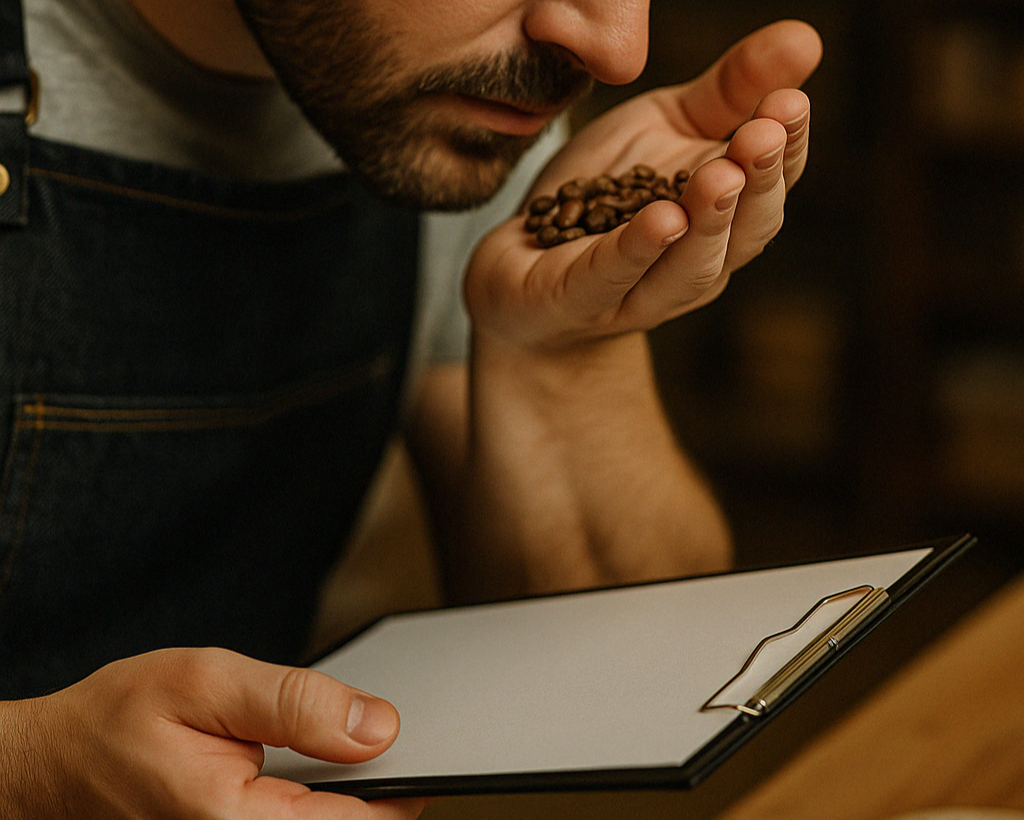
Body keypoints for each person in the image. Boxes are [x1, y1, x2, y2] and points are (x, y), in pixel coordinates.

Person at [0, 0, 822, 816]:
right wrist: (31, 771)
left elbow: (635, 669)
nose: (617, 50)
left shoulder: (450, 98)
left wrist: (558, 352)